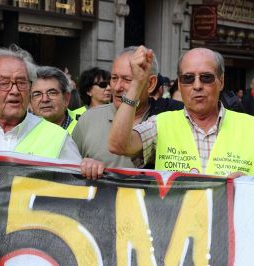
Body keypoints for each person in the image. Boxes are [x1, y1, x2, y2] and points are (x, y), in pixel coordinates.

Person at [108, 46, 254, 177]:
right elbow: (118, 145)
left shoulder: (250, 127)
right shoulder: (160, 124)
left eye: (206, 78)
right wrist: (137, 83)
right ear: (179, 84)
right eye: (188, 78)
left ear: (221, 82)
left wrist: (247, 184)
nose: (197, 85)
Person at [72, 46, 183, 169]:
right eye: (114, 78)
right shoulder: (89, 119)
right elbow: (68, 170)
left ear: (151, 84)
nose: (117, 87)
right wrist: (85, 166)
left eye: (128, 79)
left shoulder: (169, 118)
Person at [29, 66, 77, 134]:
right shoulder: (20, 134)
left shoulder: (83, 130)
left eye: (52, 93)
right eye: (37, 94)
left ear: (66, 98)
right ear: (30, 103)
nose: (45, 99)